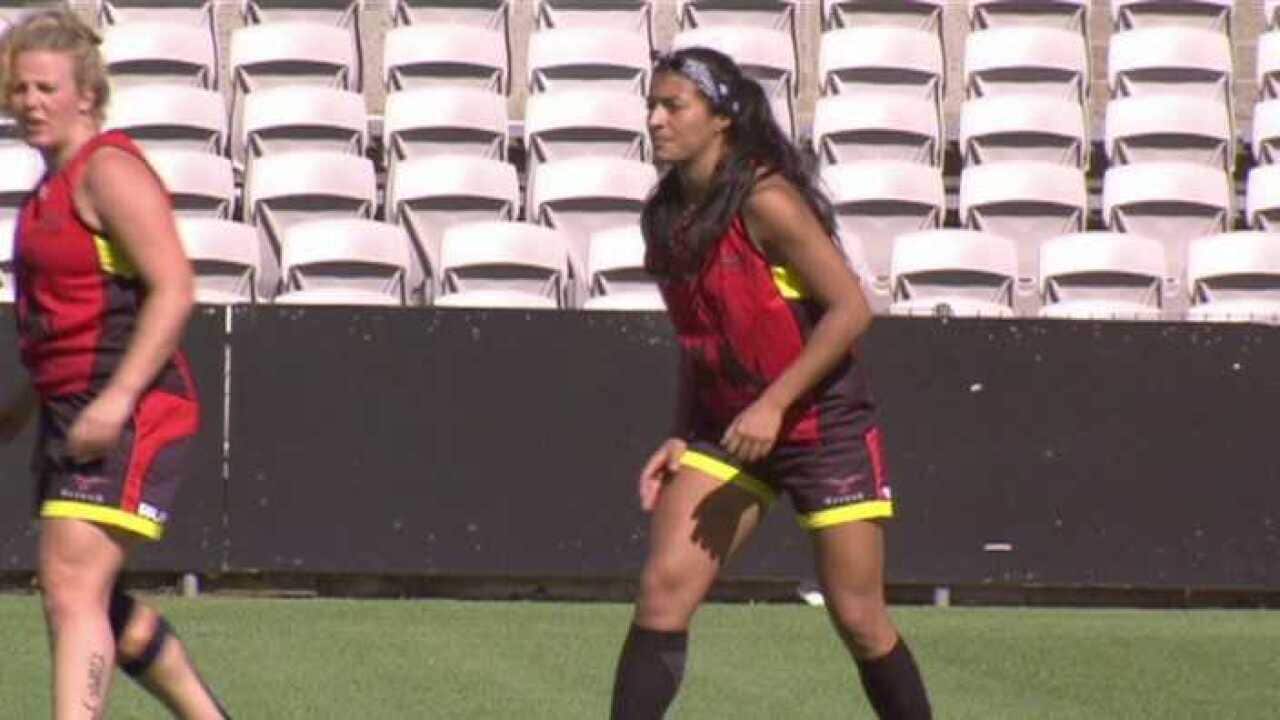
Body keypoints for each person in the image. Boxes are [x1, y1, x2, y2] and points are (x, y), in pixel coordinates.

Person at [609, 47, 931, 719]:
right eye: (652, 105)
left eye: (674, 105)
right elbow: (699, 342)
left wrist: (774, 404)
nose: (656, 120)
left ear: (721, 116)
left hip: (822, 424)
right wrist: (681, 432)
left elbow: (850, 310)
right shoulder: (666, 216)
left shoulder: (768, 200)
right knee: (663, 592)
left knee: (859, 618)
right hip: (729, 427)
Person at [0, 10, 229, 719]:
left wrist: (116, 398)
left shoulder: (109, 172)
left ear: (87, 96)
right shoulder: (45, 194)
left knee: (72, 587)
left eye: (45, 87)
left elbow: (174, 286)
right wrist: (19, 408)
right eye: (18, 88)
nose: (30, 101)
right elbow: (62, 324)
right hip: (73, 410)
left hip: (132, 407)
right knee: (91, 595)